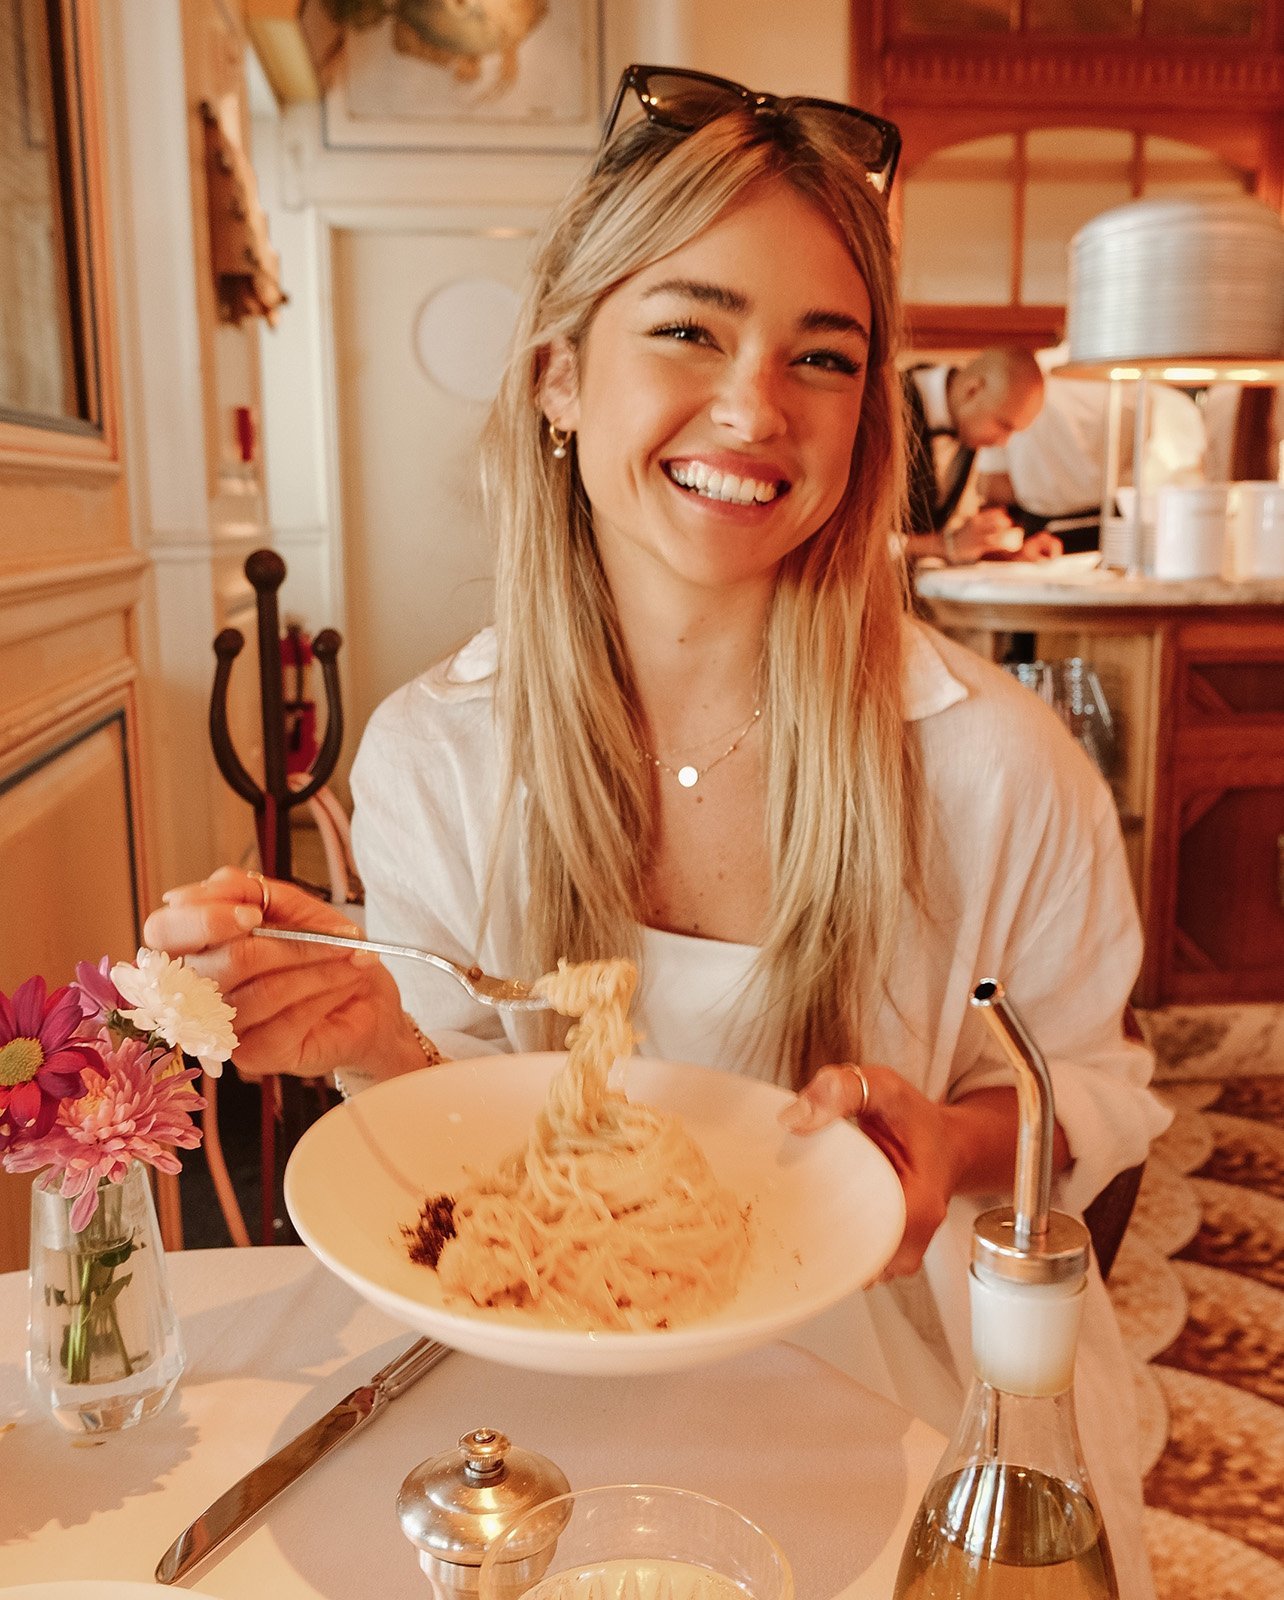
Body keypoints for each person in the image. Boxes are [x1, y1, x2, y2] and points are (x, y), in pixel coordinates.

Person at [146, 65, 1167, 1596]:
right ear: (562, 374)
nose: (756, 408)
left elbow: (1090, 1090)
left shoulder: (998, 773)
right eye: (690, 328)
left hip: (896, 1390)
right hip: (528, 1386)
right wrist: (369, 1034)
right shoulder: (439, 750)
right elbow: (474, 1149)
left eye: (823, 356)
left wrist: (951, 1146)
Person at [975, 342, 1207, 553]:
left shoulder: (1024, 378)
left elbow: (994, 485)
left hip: (1041, 538)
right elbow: (1176, 472)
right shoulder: (1143, 379)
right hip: (1120, 531)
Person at [901, 346, 1055, 564]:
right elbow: (851, 538)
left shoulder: (967, 428)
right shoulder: (885, 406)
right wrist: (946, 545)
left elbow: (951, 540)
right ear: (972, 390)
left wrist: (1008, 555)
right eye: (1004, 426)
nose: (1003, 442)